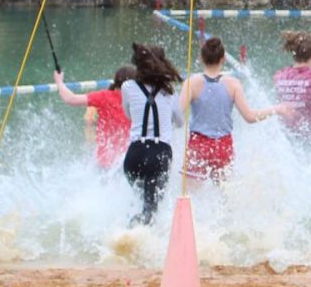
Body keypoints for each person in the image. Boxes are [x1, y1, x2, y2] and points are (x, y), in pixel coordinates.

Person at [178, 37, 291, 182]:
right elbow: (250, 117)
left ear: (201, 58)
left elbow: (176, 114)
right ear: (223, 59)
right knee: (223, 197)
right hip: (223, 146)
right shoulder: (233, 84)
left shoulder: (191, 83)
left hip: (199, 144)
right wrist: (276, 109)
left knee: (192, 197)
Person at [122, 43, 183, 226]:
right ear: (163, 63)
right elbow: (180, 123)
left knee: (142, 202)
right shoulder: (170, 92)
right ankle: (137, 239)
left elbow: (129, 115)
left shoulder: (127, 86)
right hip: (159, 153)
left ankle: (128, 232)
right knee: (151, 209)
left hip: (134, 154)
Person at [54, 66, 136, 169]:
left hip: (105, 162)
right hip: (130, 161)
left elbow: (71, 99)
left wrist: (59, 82)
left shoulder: (105, 96)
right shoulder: (139, 101)